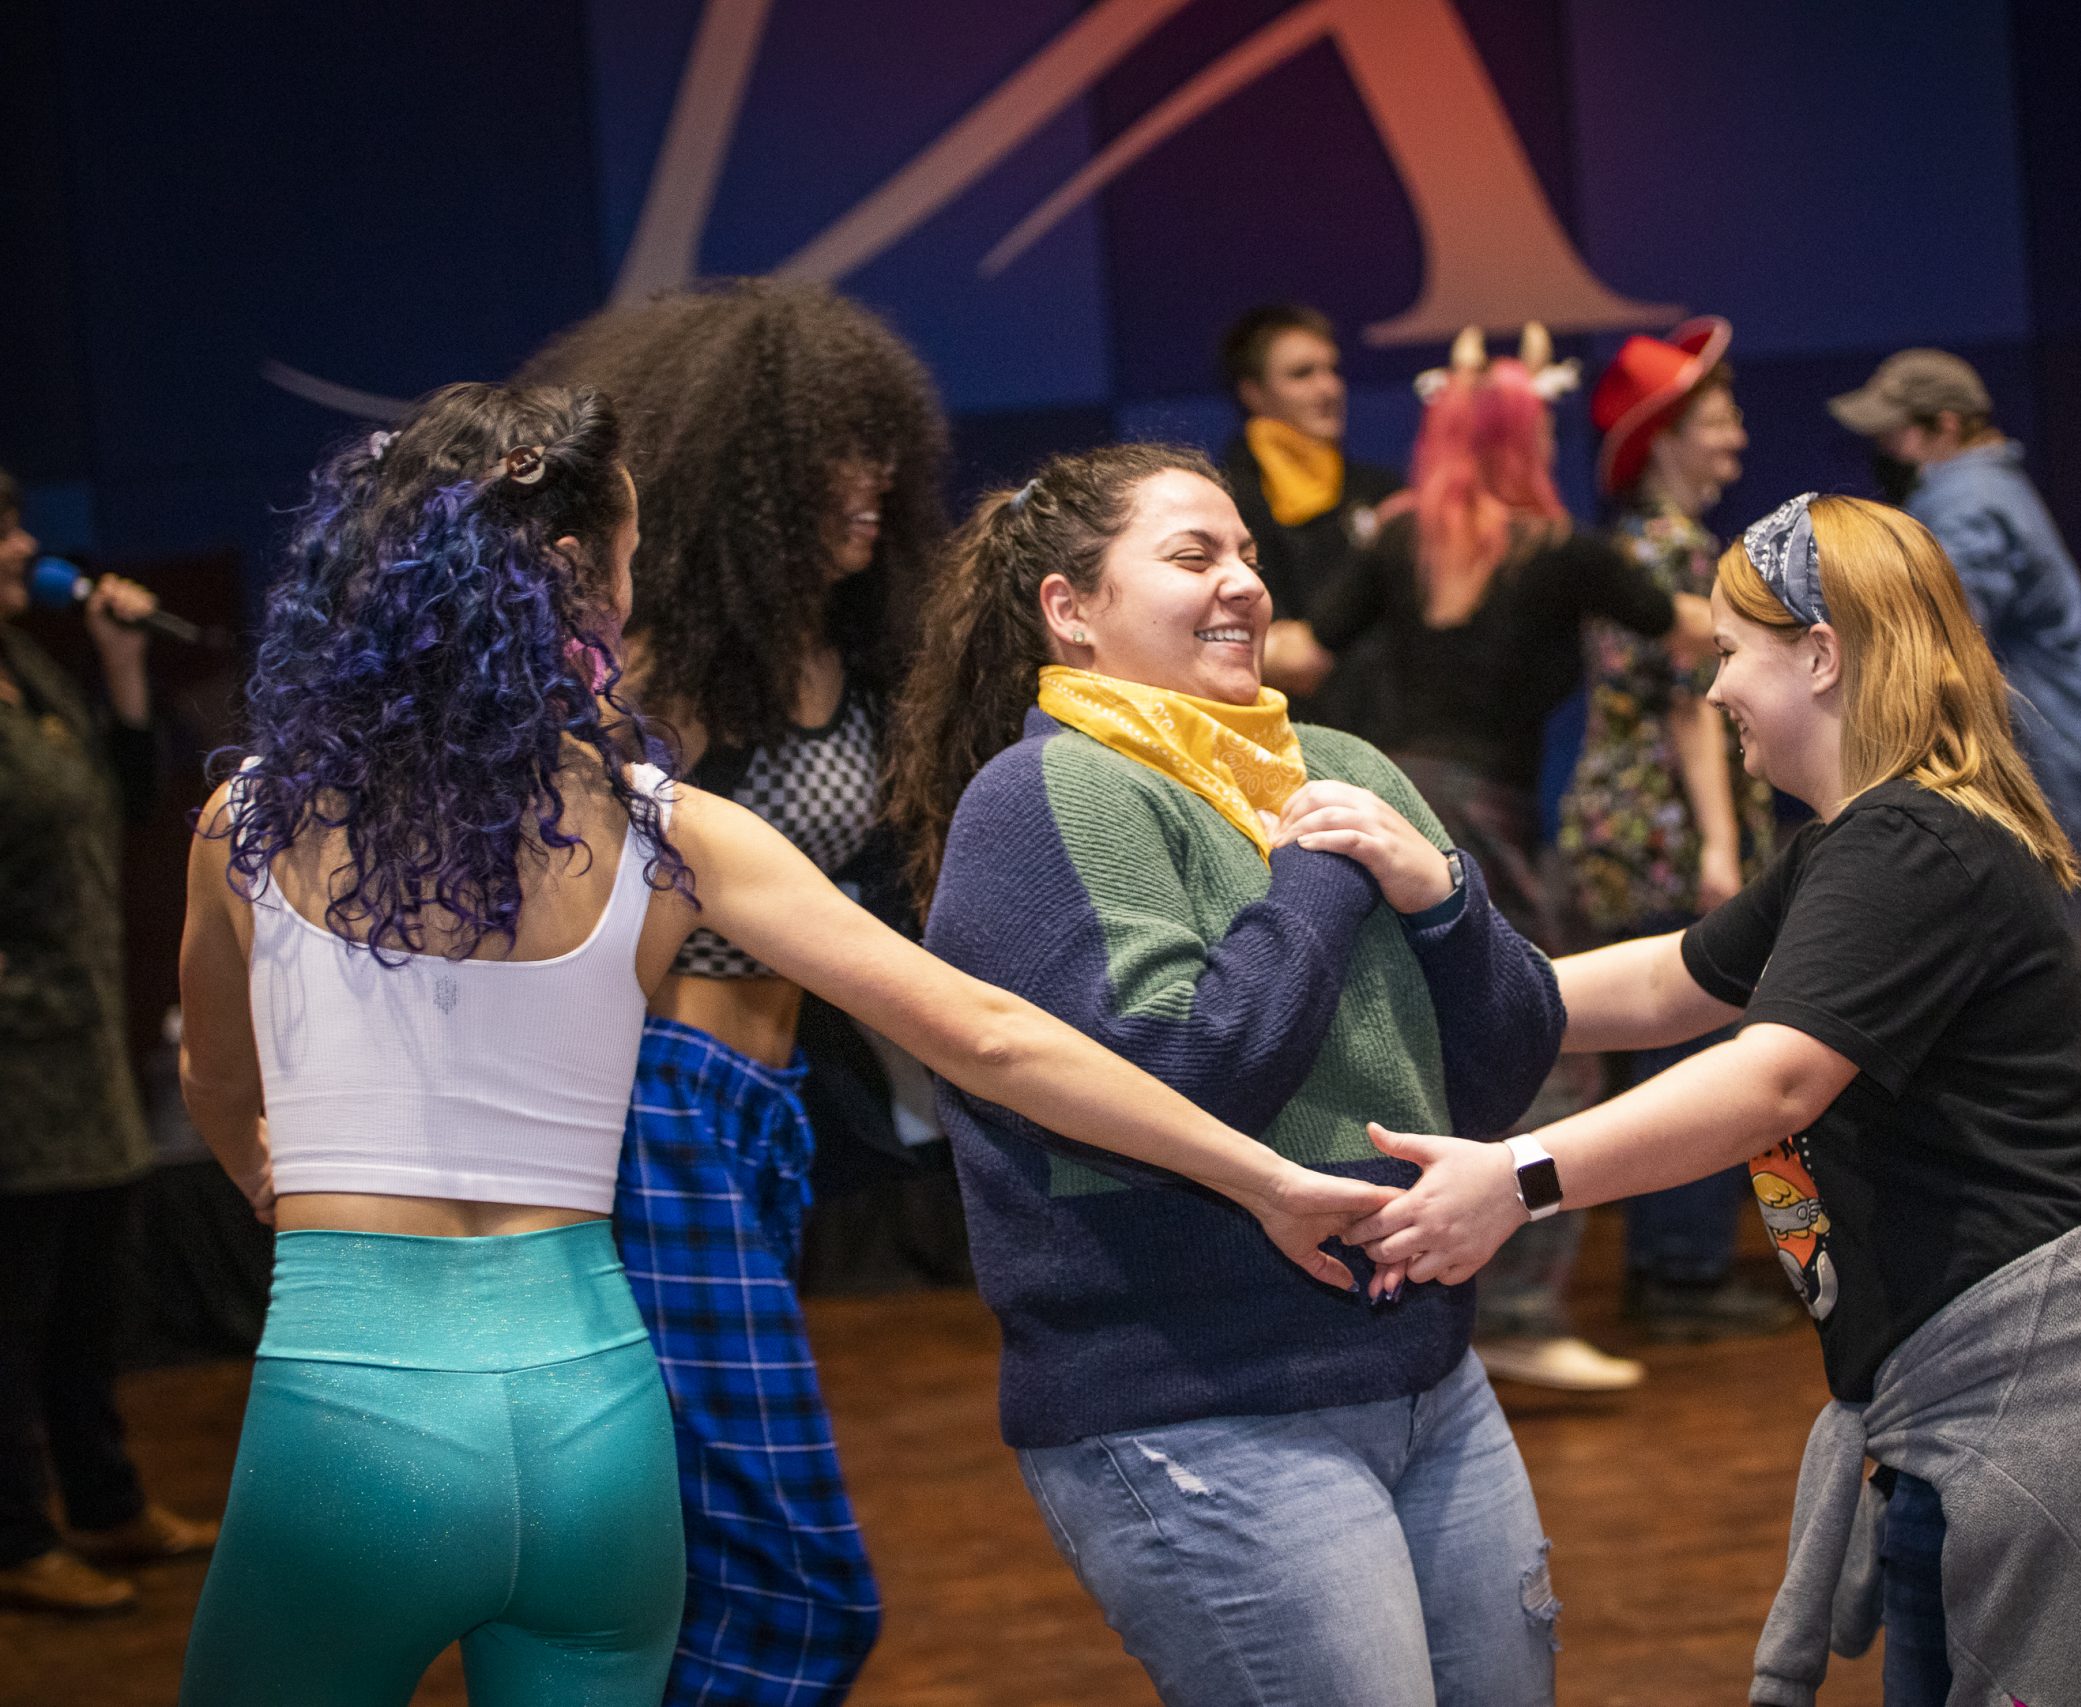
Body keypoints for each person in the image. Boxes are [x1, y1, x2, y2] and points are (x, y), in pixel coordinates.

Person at [172, 385, 1395, 1707]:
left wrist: (263, 1168)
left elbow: (219, 1083)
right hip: (599, 1439)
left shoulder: (247, 821)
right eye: (629, 570)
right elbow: (987, 1032)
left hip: (349, 1431)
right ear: (585, 596)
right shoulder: (668, 831)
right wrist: (1263, 1176)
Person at [1346, 495, 2081, 1706]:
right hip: (1976, 1407)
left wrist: (1517, 1178)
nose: (1714, 688)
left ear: (1822, 656)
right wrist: (1443, 936)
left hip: (2054, 1405)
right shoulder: (1854, 848)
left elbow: (1770, 1077)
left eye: (1732, 654)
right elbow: (1662, 982)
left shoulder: (1910, 841)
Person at [888, 442, 1569, 1707]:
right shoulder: (1049, 793)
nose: (1242, 582)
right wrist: (1313, 872)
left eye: (1248, 554)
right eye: (1193, 556)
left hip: (1426, 1369)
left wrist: (1441, 902)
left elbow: (1508, 1062)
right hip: (1198, 1400)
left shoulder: (1344, 765)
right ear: (1070, 610)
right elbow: (1186, 1078)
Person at [519, 277, 949, 1700]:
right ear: (744, 477)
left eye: (881, 447)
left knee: (697, 1558)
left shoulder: (860, 655)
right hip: (662, 1116)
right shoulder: (663, 675)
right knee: (797, 1585)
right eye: (831, 453)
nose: (869, 483)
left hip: (765, 1114)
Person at [1307, 328, 1717, 1392]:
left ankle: (1392, 1281)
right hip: (1469, 823)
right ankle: (1520, 1310)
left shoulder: (1400, 541)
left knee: (1403, 1041)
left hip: (1394, 800)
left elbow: (1304, 652)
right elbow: (1685, 627)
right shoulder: (1556, 551)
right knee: (1554, 1051)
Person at [1828, 348, 2081, 1231]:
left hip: (2034, 763)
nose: (1889, 447)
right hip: (2046, 758)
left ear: (1947, 429)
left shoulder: (1968, 501)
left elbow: (1940, 638)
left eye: (1900, 431)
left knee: (2051, 957)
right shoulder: (1985, 490)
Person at [0, 471, 219, 1614]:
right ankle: (12, 1536)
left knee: (88, 1291)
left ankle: (105, 1501)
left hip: (76, 1044)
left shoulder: (30, 669)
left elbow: (122, 800)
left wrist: (122, 664)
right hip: (9, 1058)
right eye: (5, 530)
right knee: (12, 1303)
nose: (27, 545)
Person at [1558, 318, 1793, 1343]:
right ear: (1662, 440)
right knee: (1696, 1051)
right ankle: (1683, 1274)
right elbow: (1686, 708)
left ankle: (1684, 1267)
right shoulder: (1666, 555)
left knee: (1691, 1047)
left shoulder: (1656, 547)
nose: (1736, 433)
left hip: (1636, 826)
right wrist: (1721, 853)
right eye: (1716, 416)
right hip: (1661, 831)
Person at [1218, 303, 1401, 726]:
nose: (1328, 388)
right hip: (1291, 735)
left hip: (1397, 732)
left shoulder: (1382, 491)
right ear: (1253, 392)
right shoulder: (1225, 500)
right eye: (1302, 374)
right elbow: (1284, 657)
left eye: (1332, 370)